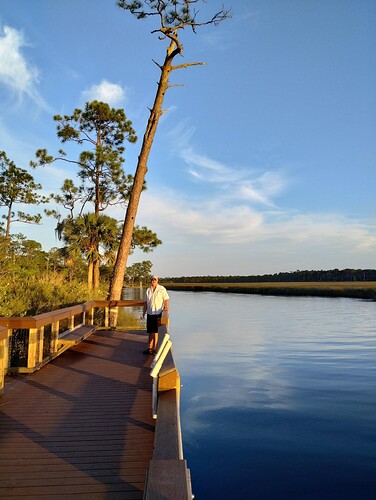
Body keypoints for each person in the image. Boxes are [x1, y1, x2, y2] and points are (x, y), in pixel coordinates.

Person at [142, 275, 169, 355]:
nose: (153, 281)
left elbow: (166, 299)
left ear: (157, 280)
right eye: (152, 279)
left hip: (158, 313)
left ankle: (154, 348)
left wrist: (166, 307)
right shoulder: (148, 290)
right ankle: (149, 348)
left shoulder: (161, 289)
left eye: (155, 279)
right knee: (150, 331)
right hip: (150, 313)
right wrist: (143, 313)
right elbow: (146, 302)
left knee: (156, 331)